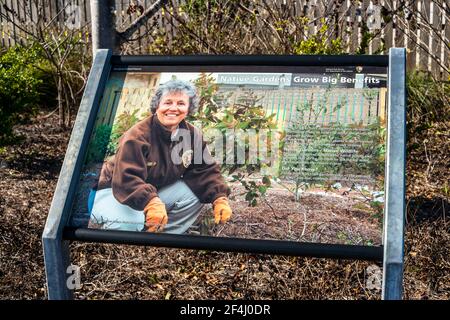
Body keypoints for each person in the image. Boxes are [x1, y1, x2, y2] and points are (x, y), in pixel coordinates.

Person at [88, 79, 232, 234]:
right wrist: (151, 202)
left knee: (194, 193)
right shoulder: (137, 136)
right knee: (130, 224)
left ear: (189, 108)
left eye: (181, 103)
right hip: (113, 192)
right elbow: (126, 179)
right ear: (157, 105)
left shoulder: (191, 135)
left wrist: (219, 197)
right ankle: (130, 242)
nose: (174, 108)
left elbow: (205, 171)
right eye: (168, 102)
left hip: (151, 192)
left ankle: (162, 237)